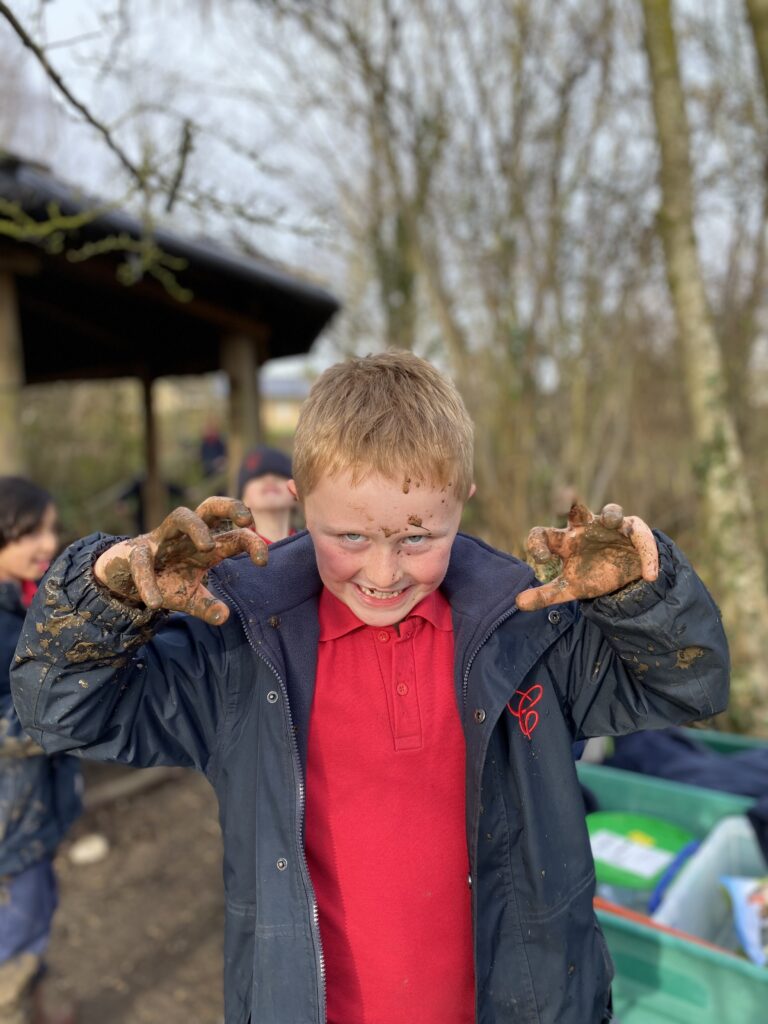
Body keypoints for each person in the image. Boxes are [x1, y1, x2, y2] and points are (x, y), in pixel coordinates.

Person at [10, 352, 728, 1024]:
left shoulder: (530, 634)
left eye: (417, 538)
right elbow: (60, 712)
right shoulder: (239, 648)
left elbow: (687, 686)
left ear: (462, 503)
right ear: (297, 502)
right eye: (349, 538)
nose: (383, 573)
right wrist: (104, 601)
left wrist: (640, 595)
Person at [0, 478, 81, 1024]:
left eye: (50, 529)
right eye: (31, 532)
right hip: (10, 824)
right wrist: (68, 712)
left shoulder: (28, 604)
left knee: (40, 905)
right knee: (22, 918)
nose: (46, 543)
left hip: (34, 811)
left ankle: (28, 1001)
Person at [237, 443, 295, 544]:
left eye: (279, 475)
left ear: (295, 492)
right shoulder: (231, 556)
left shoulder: (315, 548)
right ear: (243, 498)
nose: (270, 479)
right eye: (258, 476)